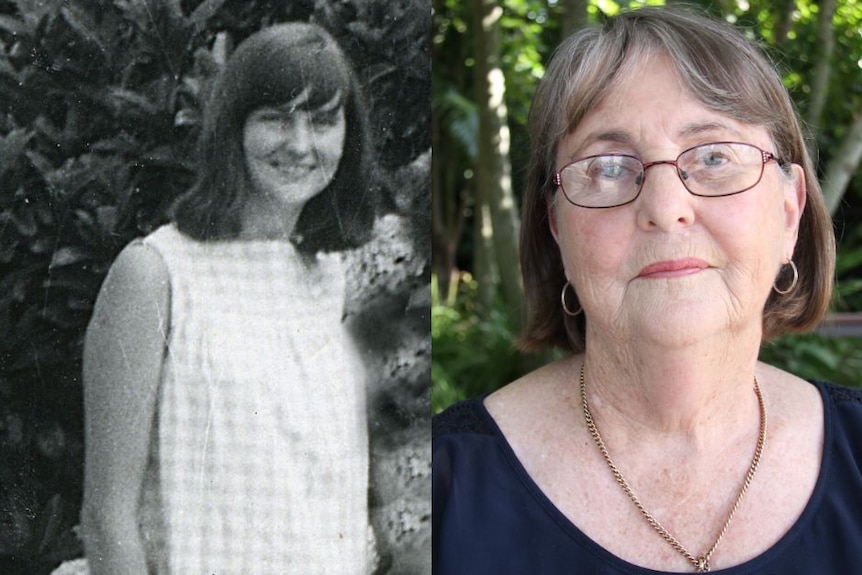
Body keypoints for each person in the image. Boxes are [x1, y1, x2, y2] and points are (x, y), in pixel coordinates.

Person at [433, 6, 862, 574]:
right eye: (608, 167)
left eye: (714, 156)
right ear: (558, 229)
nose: (665, 209)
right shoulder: (434, 490)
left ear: (790, 211)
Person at [81, 22, 379, 574]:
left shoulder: (333, 275)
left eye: (322, 120)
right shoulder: (155, 274)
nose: (299, 143)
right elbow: (107, 517)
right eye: (274, 117)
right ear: (232, 129)